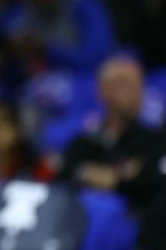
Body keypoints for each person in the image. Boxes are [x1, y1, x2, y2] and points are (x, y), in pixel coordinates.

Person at [59, 55, 166, 217]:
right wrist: (118, 178)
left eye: (139, 84)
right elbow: (64, 174)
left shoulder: (155, 141)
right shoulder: (85, 141)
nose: (136, 92)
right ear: (103, 91)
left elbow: (151, 183)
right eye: (125, 85)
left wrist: (98, 175)